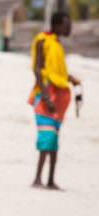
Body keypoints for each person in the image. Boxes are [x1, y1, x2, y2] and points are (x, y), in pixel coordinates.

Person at [28, 12, 80, 189]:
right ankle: (37, 179)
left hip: (58, 96)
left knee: (54, 139)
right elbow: (37, 69)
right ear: (57, 25)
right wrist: (45, 95)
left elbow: (57, 72)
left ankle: (50, 180)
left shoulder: (57, 44)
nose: (69, 28)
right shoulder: (42, 40)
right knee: (47, 136)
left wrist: (70, 79)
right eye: (67, 25)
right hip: (47, 94)